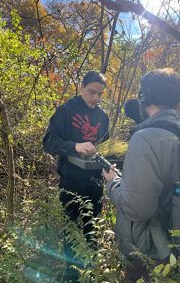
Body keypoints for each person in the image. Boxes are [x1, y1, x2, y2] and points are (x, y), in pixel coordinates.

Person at [103, 68, 180, 282]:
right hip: (177, 240)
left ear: (144, 97)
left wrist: (113, 182)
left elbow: (137, 208)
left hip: (147, 248)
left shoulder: (146, 138)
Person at [43, 71, 109, 281]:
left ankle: (91, 271)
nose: (95, 98)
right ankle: (71, 274)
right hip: (71, 181)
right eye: (92, 92)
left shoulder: (103, 116)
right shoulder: (66, 110)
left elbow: (104, 145)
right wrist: (75, 146)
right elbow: (49, 142)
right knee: (71, 230)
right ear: (82, 87)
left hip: (95, 182)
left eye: (100, 94)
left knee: (92, 229)